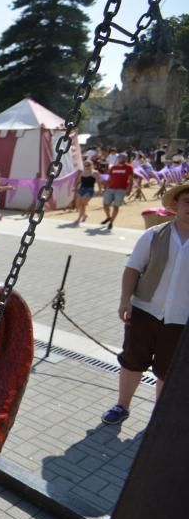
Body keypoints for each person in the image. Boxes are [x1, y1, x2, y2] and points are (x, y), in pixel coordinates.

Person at [101, 181, 189, 425]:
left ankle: (159, 417)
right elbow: (132, 269)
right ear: (175, 205)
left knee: (168, 370)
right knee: (132, 361)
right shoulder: (154, 235)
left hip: (181, 319)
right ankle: (122, 405)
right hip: (145, 311)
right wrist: (124, 300)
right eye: (186, 202)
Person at [101, 152, 134, 230]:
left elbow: (131, 180)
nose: (121, 159)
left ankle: (111, 222)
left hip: (121, 189)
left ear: (126, 159)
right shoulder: (113, 167)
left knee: (116, 206)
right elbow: (109, 178)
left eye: (123, 157)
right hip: (110, 188)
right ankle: (108, 217)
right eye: (120, 157)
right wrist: (105, 187)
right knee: (105, 205)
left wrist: (129, 190)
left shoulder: (129, 167)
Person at [73, 160, 98, 224]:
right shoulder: (82, 173)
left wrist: (100, 190)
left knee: (83, 204)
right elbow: (78, 181)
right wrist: (75, 188)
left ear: (91, 165)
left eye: (88, 165)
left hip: (89, 189)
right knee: (78, 204)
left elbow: (99, 182)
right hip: (81, 189)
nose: (86, 166)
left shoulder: (94, 173)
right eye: (85, 165)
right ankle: (84, 215)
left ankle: (79, 218)